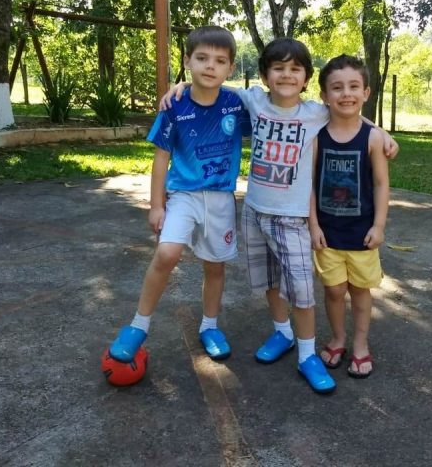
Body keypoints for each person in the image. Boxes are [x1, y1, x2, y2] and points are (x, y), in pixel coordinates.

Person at [161, 37, 398, 394]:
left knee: (301, 290)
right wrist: (179, 87)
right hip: (255, 211)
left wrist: (381, 132)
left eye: (295, 69)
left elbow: (348, 111)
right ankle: (282, 332)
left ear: (306, 79)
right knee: (270, 281)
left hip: (293, 218)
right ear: (264, 75)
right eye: (278, 68)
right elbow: (211, 85)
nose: (286, 75)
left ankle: (307, 354)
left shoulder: (315, 113)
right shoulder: (253, 100)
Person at [108, 25, 250, 364]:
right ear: (187, 61)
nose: (210, 66)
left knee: (214, 267)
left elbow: (272, 106)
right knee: (166, 254)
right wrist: (156, 205)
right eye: (202, 58)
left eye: (220, 61)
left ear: (231, 68)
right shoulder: (174, 106)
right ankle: (138, 326)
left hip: (221, 198)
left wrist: (185, 83)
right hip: (183, 195)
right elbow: (161, 158)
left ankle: (210, 326)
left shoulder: (235, 104)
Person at [309, 55, 389, 379]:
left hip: (362, 234)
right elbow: (308, 184)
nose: (346, 94)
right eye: (337, 87)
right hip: (327, 233)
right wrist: (313, 224)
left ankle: (360, 343)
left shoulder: (373, 137)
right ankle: (338, 338)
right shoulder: (316, 135)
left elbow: (381, 183)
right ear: (324, 95)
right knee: (333, 290)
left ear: (366, 93)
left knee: (359, 290)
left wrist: (379, 225)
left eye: (354, 86)